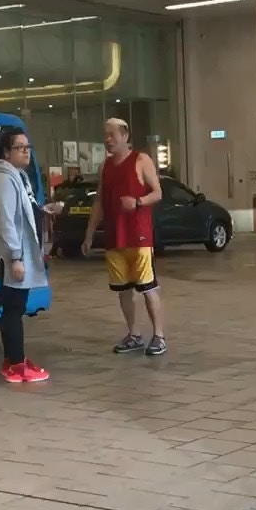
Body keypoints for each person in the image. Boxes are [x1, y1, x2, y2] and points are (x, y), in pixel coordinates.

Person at [0, 128, 62, 383]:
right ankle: (16, 366)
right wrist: (15, 258)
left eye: (28, 147)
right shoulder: (4, 180)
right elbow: (7, 222)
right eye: (20, 147)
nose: (26, 152)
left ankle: (13, 360)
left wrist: (43, 210)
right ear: (6, 152)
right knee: (13, 309)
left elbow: (23, 210)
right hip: (13, 257)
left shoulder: (18, 176)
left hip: (21, 254)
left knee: (15, 307)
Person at [82, 118, 167, 356]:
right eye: (105, 135)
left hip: (139, 237)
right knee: (123, 289)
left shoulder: (141, 160)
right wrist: (89, 234)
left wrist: (138, 202)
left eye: (112, 135)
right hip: (114, 238)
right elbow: (99, 201)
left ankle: (159, 336)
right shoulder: (105, 167)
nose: (107, 139)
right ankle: (134, 335)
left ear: (125, 136)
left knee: (148, 287)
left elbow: (158, 193)